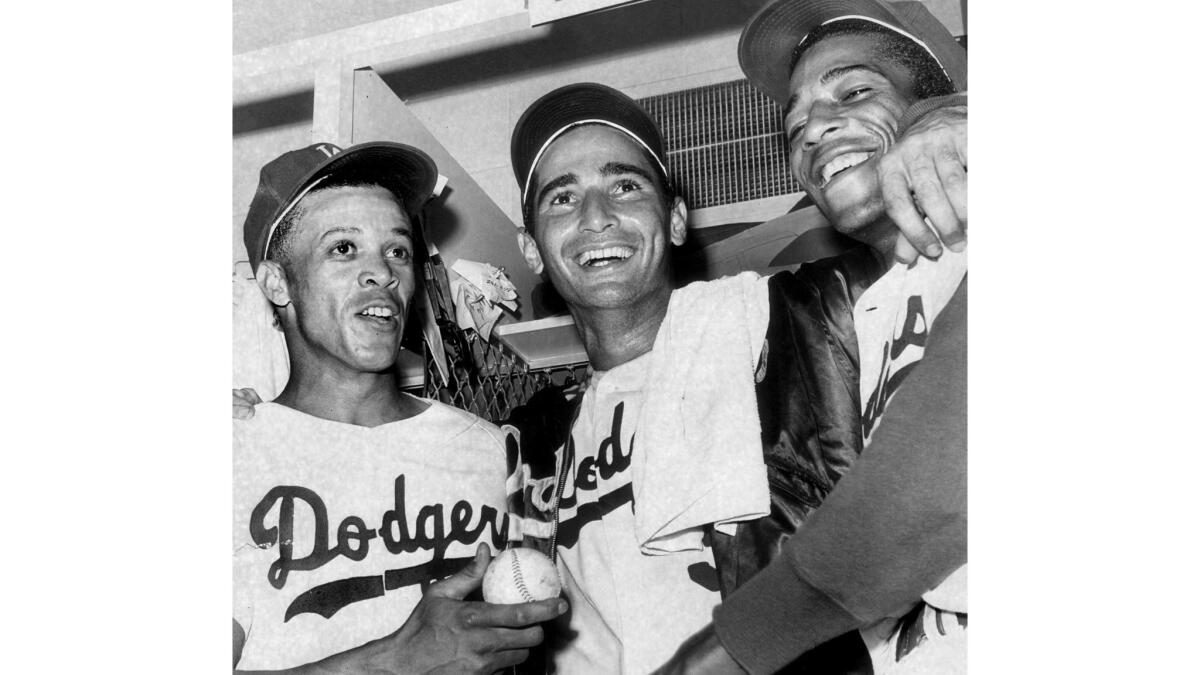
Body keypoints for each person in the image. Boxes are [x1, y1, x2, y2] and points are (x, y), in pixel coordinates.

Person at [504, 72, 965, 673]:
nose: (596, 216)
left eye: (624, 185)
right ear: (532, 249)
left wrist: (946, 115)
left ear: (674, 220)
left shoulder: (801, 319)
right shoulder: (531, 442)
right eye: (561, 197)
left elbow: (911, 231)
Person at [655, 1, 969, 672]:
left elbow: (932, 490)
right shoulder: (877, 309)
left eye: (854, 92)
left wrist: (722, 654)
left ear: (934, 108)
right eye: (794, 126)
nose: (814, 131)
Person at [231, 141, 564, 673]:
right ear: (277, 283)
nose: (382, 273)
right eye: (343, 248)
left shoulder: (487, 447)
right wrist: (394, 661)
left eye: (398, 250)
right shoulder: (236, 452)